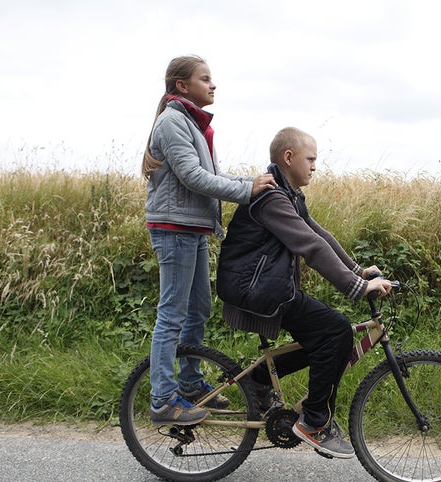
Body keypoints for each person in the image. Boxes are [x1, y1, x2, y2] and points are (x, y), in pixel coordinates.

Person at [216, 127, 393, 458]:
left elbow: (318, 233)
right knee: (336, 332)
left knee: (327, 338)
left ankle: (258, 382)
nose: (314, 166)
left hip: (267, 287)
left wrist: (358, 271)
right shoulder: (271, 197)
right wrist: (358, 287)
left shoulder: (288, 194)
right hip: (257, 288)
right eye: (310, 159)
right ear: (289, 157)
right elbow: (309, 245)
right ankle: (314, 421)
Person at [142, 55, 276, 425]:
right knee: (171, 315)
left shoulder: (193, 124)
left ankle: (190, 383)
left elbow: (212, 174)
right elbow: (193, 178)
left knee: (198, 309)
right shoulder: (173, 122)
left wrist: (249, 181)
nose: (212, 84)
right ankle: (163, 399)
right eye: (205, 78)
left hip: (192, 229)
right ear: (182, 86)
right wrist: (247, 190)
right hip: (174, 230)